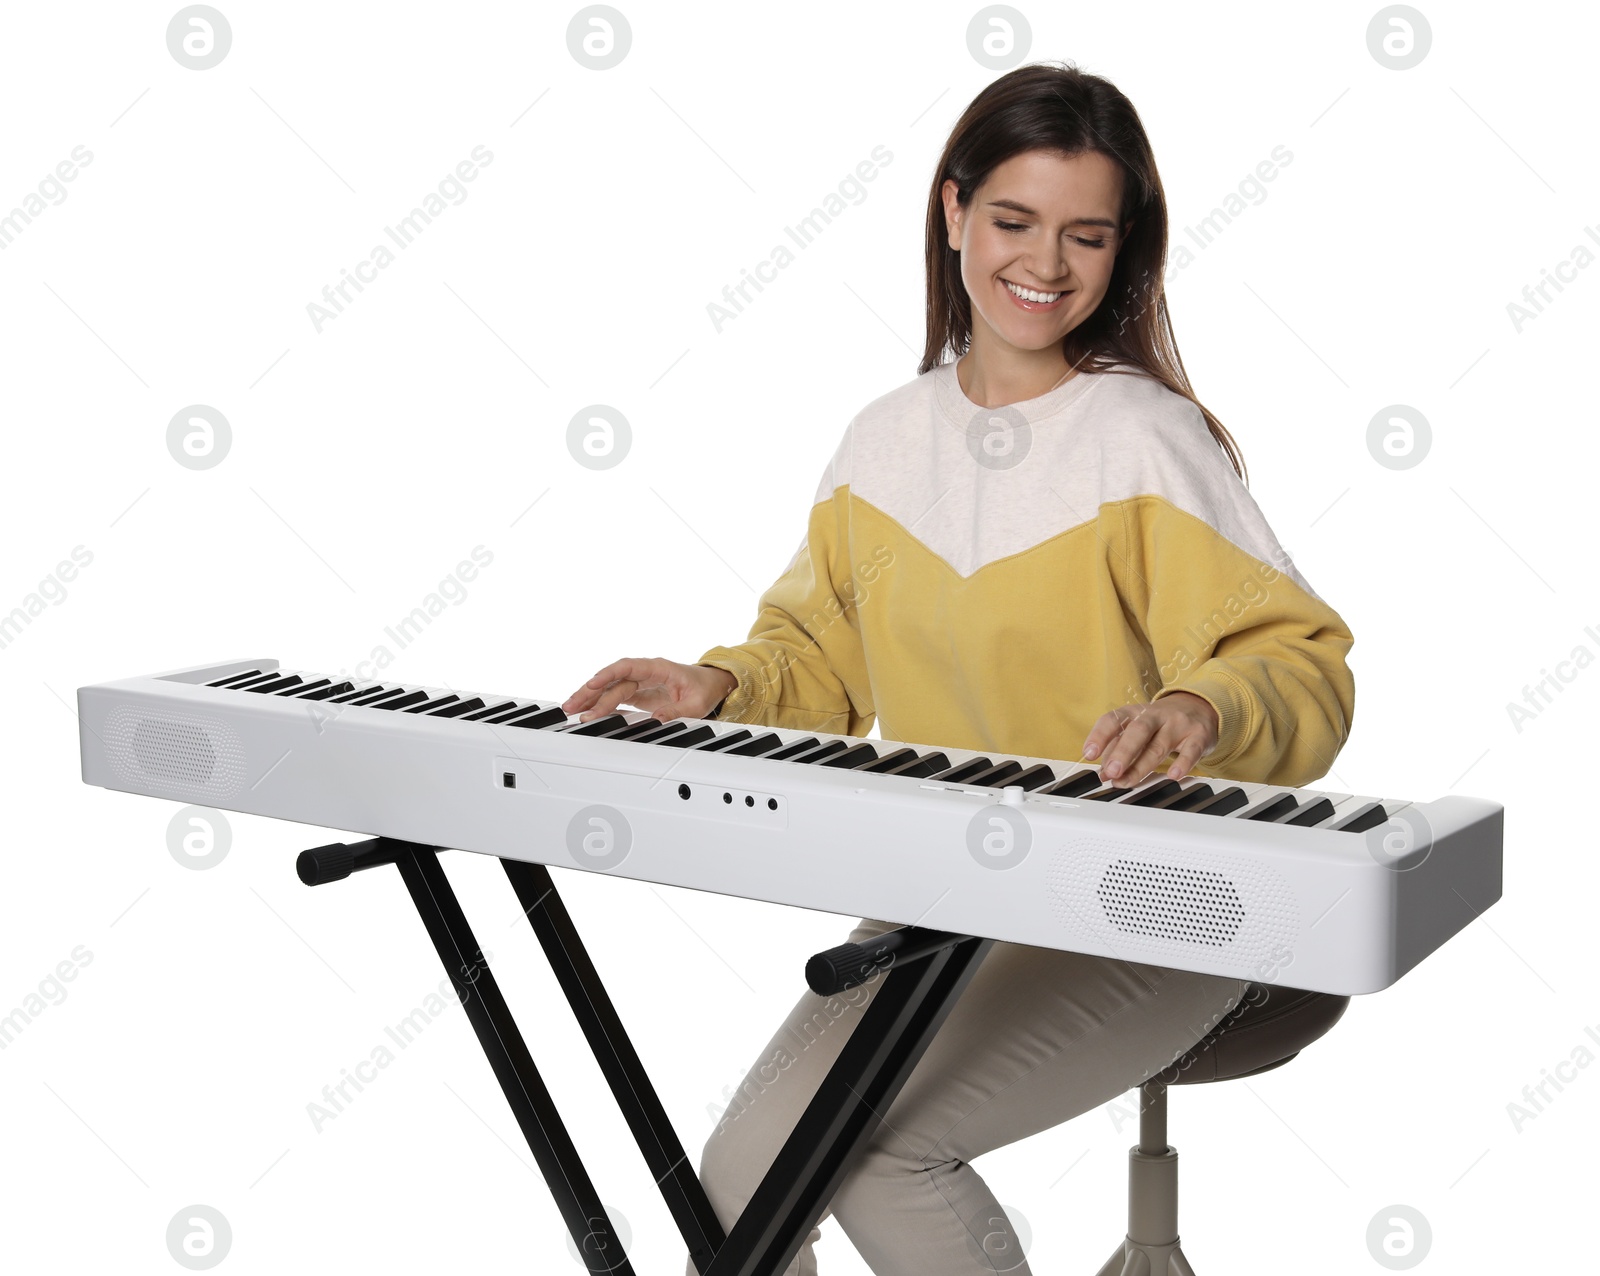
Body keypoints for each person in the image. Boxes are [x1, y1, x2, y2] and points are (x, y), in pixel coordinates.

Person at [562, 60, 1355, 1276]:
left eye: (1086, 234)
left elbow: (1299, 663)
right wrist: (719, 686)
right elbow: (816, 660)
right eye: (1013, 221)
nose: (1045, 262)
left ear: (1120, 249)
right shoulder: (884, 441)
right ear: (952, 213)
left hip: (1145, 897)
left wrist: (1202, 702)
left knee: (876, 1152)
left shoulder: (1143, 439)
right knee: (737, 1194)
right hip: (947, 898)